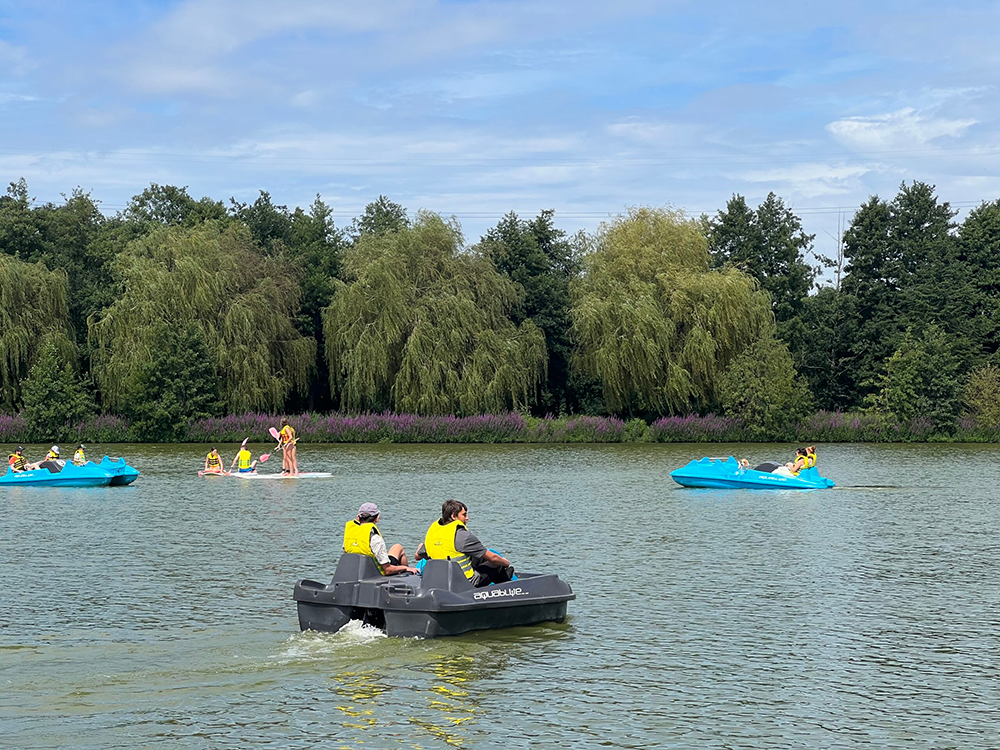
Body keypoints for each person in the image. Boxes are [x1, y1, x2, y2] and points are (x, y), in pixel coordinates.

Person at [416, 500, 515, 587]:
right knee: (497, 563)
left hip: (439, 581)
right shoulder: (463, 536)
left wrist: (421, 547)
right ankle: (508, 590)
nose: (467, 518)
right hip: (463, 582)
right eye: (464, 515)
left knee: (478, 558)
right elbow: (493, 558)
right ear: (454, 516)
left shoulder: (433, 534)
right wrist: (506, 562)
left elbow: (417, 556)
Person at [343, 502, 417, 575]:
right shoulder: (375, 539)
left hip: (357, 572)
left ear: (358, 517)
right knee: (399, 547)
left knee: (396, 547)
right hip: (376, 573)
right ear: (377, 518)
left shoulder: (349, 536)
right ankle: (407, 573)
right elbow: (387, 570)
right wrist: (404, 568)